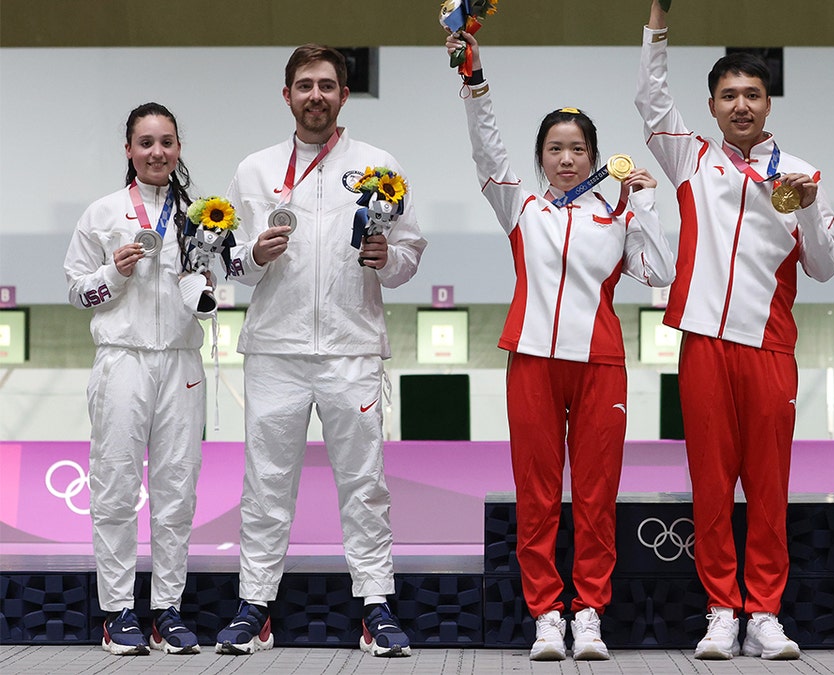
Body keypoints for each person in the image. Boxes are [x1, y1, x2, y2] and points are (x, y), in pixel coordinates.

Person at [445, 30, 675, 661]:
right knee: (538, 494)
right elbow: (485, 144)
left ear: (595, 156)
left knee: (598, 496)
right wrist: (474, 79)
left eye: (578, 149)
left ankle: (590, 612)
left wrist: (646, 201)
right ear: (541, 157)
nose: (567, 158)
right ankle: (549, 614)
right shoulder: (520, 207)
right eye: (555, 148)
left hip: (600, 364)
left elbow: (659, 272)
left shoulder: (616, 214)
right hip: (534, 362)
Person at [634, 0, 834, 661]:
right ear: (714, 104)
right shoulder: (691, 159)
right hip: (702, 345)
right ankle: (722, 608)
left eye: (753, 93)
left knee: (769, 487)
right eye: (729, 95)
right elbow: (649, 96)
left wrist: (809, 211)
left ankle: (766, 613)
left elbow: (826, 265)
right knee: (712, 484)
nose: (742, 104)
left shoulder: (803, 173)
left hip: (770, 347)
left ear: (768, 103)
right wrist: (658, 21)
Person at [214, 44, 427, 657]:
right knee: (266, 483)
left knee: (365, 483)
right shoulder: (255, 170)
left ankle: (376, 605)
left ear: (343, 95)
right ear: (287, 96)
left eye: (327, 85)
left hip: (351, 348)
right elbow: (226, 259)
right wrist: (254, 255)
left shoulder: (378, 165)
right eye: (304, 85)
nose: (316, 95)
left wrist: (391, 261)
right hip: (275, 351)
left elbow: (409, 251)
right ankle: (255, 606)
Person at [65, 102, 213, 656]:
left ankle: (168, 610)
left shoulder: (200, 215)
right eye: (146, 142)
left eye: (167, 142)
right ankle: (118, 612)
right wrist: (113, 273)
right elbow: (78, 293)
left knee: (177, 490)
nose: (157, 152)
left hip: (180, 361)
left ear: (178, 149)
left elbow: (209, 292)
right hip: (122, 359)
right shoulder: (102, 213)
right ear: (128, 150)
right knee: (116, 487)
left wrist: (203, 291)